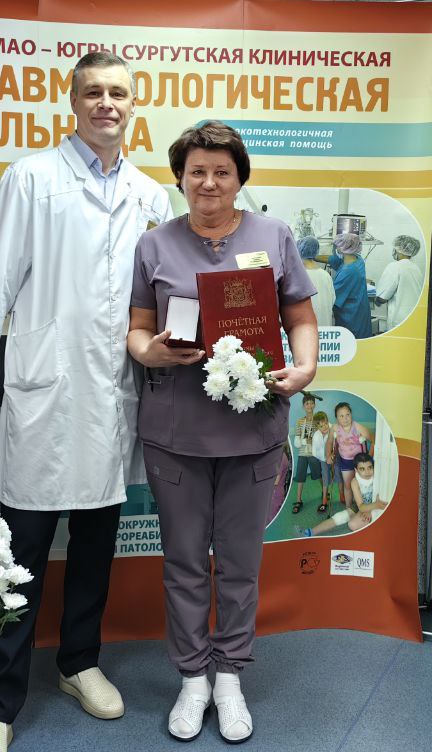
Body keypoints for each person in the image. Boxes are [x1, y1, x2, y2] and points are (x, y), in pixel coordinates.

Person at [0, 51, 172, 752]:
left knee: (97, 542)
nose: (107, 103)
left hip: (114, 391)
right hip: (44, 386)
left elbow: (161, 295)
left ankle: (79, 662)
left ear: (133, 105)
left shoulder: (150, 194)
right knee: (21, 552)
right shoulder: (32, 177)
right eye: (94, 92)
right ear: (72, 102)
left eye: (119, 93)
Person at [128, 121, 318, 743]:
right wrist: (150, 351)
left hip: (253, 430)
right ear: (180, 178)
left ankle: (230, 675)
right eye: (197, 172)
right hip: (175, 431)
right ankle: (192, 678)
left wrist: (305, 367)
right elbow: (137, 330)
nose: (208, 183)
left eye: (221, 172)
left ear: (240, 179)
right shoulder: (155, 245)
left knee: (239, 563)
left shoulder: (274, 236)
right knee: (184, 561)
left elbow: (301, 318)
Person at [296, 453, 385, 536]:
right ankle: (310, 532)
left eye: (370, 467)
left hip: (373, 505)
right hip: (363, 505)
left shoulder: (378, 477)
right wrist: (370, 508)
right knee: (339, 517)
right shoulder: (355, 482)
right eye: (362, 469)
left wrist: (370, 510)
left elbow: (379, 499)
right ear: (356, 470)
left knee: (352, 525)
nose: (367, 472)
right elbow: (361, 506)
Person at [374, 234, 425, 332]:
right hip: (414, 317)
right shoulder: (415, 268)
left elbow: (382, 297)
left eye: (395, 248)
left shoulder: (395, 267)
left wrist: (376, 300)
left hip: (399, 319)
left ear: (399, 250)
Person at [288, 392, 327, 513]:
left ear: (314, 405)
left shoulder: (318, 420)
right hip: (302, 453)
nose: (309, 405)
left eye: (311, 403)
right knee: (300, 477)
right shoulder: (300, 421)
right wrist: (300, 441)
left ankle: (325, 492)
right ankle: (298, 500)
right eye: (307, 404)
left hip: (314, 453)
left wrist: (312, 440)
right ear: (303, 406)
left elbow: (322, 434)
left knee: (318, 474)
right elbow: (298, 437)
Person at [331, 401, 374, 506]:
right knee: (347, 485)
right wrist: (329, 455)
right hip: (345, 461)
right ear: (337, 418)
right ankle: (348, 508)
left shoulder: (358, 427)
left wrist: (369, 457)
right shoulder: (335, 428)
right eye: (341, 416)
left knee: (361, 484)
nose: (345, 418)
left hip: (360, 462)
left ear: (351, 414)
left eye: (347, 415)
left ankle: (362, 505)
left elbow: (374, 440)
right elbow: (329, 442)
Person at [331, 232, 373, 338]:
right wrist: (312, 257)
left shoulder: (347, 272)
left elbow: (333, 299)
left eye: (337, 246)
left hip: (350, 318)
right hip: (360, 313)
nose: (336, 248)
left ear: (342, 248)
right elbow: (333, 260)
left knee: (352, 344)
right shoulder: (358, 260)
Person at [297, 236, 335, 327]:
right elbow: (332, 300)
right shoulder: (326, 276)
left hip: (305, 328)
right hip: (324, 327)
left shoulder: (297, 277)